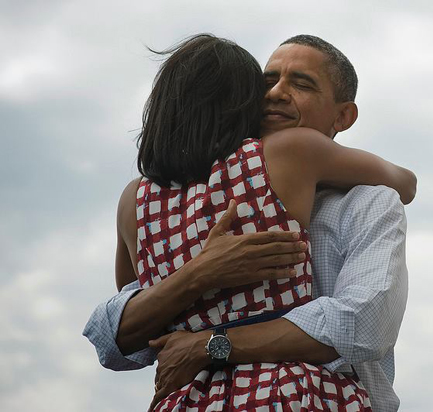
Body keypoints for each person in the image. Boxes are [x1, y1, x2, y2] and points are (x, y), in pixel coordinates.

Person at [84, 34, 413, 412]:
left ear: (343, 116)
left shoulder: (137, 200)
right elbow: (124, 330)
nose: (275, 93)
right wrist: (202, 271)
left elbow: (363, 324)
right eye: (266, 82)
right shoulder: (282, 159)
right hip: (292, 393)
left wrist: (209, 343)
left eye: (301, 83)